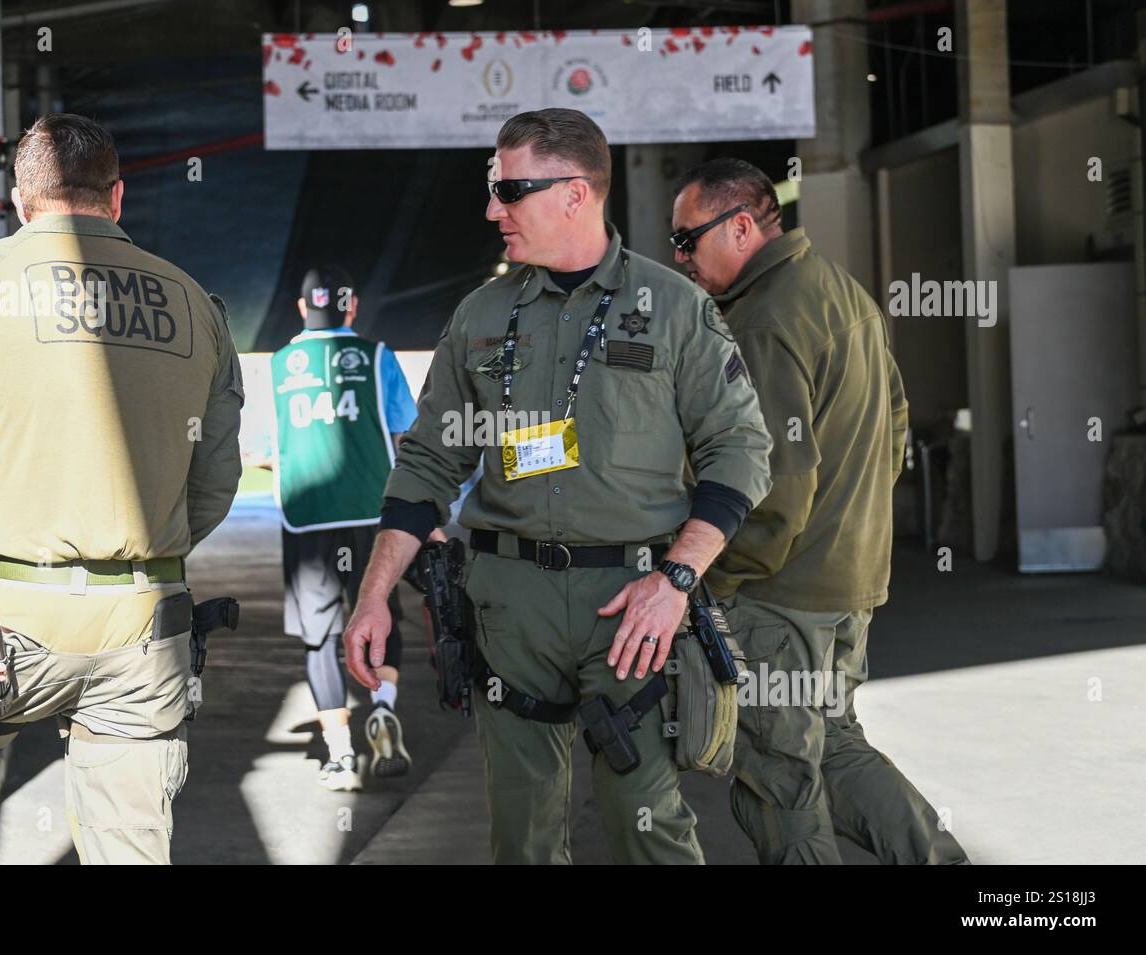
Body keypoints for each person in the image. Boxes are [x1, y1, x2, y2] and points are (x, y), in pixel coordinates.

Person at [343, 108, 773, 864]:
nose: (491, 209)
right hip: (509, 609)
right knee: (522, 835)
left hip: (633, 607)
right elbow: (426, 466)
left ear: (576, 193)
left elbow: (740, 452)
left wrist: (677, 579)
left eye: (510, 189)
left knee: (646, 825)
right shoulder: (481, 316)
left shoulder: (672, 307)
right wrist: (374, 591)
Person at [0, 113, 243, 865]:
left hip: (2, 624)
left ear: (19, 202)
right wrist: (144, 551)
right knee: (130, 844)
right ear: (117, 197)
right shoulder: (198, 305)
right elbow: (215, 477)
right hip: (144, 627)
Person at [671, 157, 969, 865]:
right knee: (832, 743)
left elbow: (772, 485)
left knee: (779, 778)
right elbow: (895, 426)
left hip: (780, 594)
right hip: (846, 584)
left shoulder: (765, 318)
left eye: (688, 238)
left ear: (741, 225)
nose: (678, 256)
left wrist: (714, 580)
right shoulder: (842, 292)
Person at [268, 267, 417, 791]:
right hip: (373, 514)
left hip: (307, 521)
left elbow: (268, 449)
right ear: (352, 309)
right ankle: (382, 706)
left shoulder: (281, 365)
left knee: (319, 640)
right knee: (380, 616)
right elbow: (403, 434)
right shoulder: (378, 358)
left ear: (302, 309)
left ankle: (338, 756)